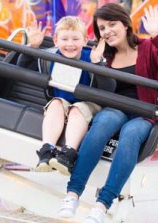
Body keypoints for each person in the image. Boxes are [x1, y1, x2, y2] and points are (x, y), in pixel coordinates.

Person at [58, 4, 158, 223]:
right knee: (102, 123)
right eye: (102, 28)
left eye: (112, 24)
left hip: (145, 113)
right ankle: (72, 194)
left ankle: (102, 204)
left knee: (131, 135)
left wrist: (157, 36)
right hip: (115, 108)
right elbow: (72, 55)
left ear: (125, 24)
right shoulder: (102, 54)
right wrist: (97, 64)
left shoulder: (148, 47)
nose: (107, 31)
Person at [17, 16, 102, 176]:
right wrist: (32, 47)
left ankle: (68, 154)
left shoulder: (91, 57)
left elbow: (106, 85)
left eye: (75, 39)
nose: (70, 44)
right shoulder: (49, 57)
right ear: (56, 40)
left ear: (85, 40)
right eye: (65, 39)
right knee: (55, 103)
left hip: (86, 102)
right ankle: (46, 150)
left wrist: (97, 64)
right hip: (61, 101)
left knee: (77, 110)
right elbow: (22, 67)